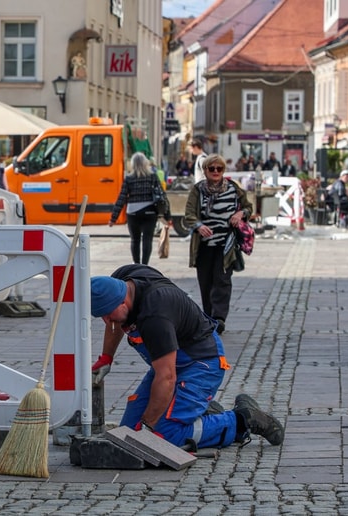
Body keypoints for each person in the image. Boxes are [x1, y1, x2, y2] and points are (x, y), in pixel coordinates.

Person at [89, 265, 285, 449]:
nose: (107, 321)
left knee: (163, 435)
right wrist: (106, 357)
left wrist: (147, 429)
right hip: (170, 363)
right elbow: (115, 322)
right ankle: (203, 413)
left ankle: (243, 420)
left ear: (123, 300)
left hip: (202, 363)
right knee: (128, 433)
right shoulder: (121, 281)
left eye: (108, 314)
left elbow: (166, 378)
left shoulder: (155, 315)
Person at [184, 154, 253, 335]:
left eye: (219, 169)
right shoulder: (198, 190)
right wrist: (199, 226)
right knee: (206, 282)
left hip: (226, 244)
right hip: (204, 245)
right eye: (211, 169)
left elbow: (248, 207)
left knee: (222, 281)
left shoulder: (233, 188)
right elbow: (189, 214)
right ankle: (209, 316)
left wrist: (240, 215)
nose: (215, 172)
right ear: (205, 170)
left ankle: (219, 318)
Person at [109, 152, 170, 265]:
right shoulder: (152, 176)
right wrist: (167, 216)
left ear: (133, 164)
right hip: (150, 211)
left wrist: (113, 218)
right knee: (147, 239)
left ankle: (136, 264)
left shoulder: (129, 178)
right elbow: (162, 195)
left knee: (135, 240)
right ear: (145, 163)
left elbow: (121, 198)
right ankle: (145, 264)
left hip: (132, 213)